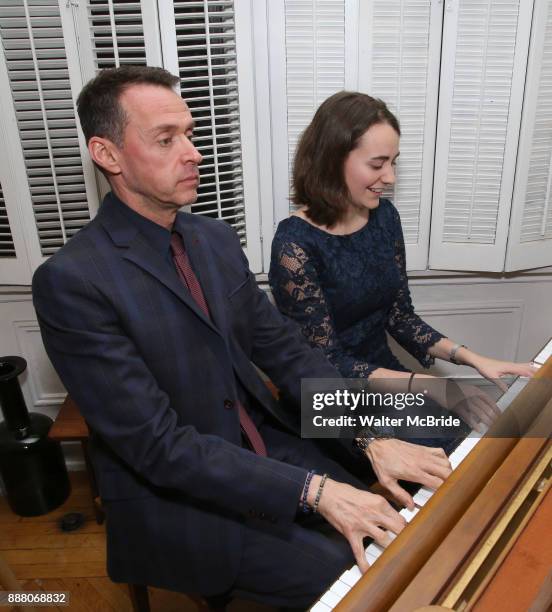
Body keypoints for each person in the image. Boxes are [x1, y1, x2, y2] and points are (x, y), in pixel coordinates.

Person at [32, 68, 451, 609]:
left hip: (264, 448)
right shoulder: (72, 280)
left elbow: (287, 353)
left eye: (190, 133)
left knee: (416, 482)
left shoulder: (212, 240)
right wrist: (315, 490)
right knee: (357, 576)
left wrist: (367, 436)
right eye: (166, 139)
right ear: (107, 154)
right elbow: (158, 447)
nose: (193, 152)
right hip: (180, 499)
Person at [269, 91, 536, 455]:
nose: (390, 177)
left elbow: (399, 315)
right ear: (332, 160)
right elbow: (326, 364)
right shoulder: (294, 245)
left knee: (470, 439)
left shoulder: (384, 218)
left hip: (386, 376)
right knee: (446, 449)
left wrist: (472, 358)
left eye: (394, 162)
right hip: (328, 404)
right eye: (377, 164)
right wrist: (434, 387)